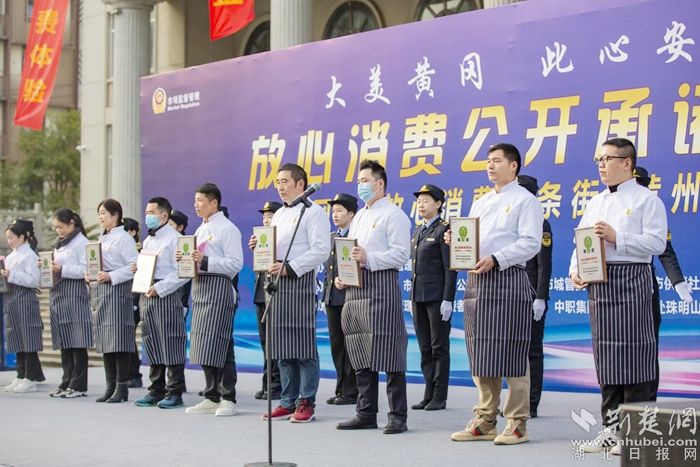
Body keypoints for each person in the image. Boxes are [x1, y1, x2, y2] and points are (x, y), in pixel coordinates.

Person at [570, 139, 667, 454]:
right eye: (599, 159)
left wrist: (617, 237)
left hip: (632, 280)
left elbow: (657, 244)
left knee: (636, 357)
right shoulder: (596, 201)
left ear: (627, 163)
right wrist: (576, 270)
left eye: (607, 158)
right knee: (607, 357)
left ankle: (636, 433)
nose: (601, 165)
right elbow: (581, 240)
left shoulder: (647, 200)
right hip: (600, 283)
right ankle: (611, 430)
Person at [448, 143, 543, 445]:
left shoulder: (526, 201)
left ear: (513, 166)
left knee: (513, 351)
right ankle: (485, 418)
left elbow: (531, 243)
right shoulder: (481, 202)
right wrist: (456, 241)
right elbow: (473, 240)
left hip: (508, 278)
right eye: (488, 161)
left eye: (497, 161)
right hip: (478, 281)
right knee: (480, 350)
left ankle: (517, 422)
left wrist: (497, 258)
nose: (490, 166)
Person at [335, 159, 411, 435]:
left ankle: (397, 415)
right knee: (359, 349)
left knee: (389, 350)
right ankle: (365, 412)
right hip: (356, 289)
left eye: (365, 181)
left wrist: (370, 258)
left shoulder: (394, 215)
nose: (360, 186)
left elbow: (401, 254)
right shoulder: (359, 217)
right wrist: (343, 276)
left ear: (380, 184)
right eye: (359, 181)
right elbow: (350, 254)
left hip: (381, 286)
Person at [251, 163, 330, 423]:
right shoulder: (279, 214)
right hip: (276, 283)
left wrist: (290, 268)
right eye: (277, 182)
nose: (280, 187)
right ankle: (287, 400)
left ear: (301, 184)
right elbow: (275, 247)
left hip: (299, 282)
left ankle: (306, 401)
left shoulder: (313, 211)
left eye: (285, 181)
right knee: (282, 344)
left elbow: (321, 250)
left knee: (302, 344)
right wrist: (260, 247)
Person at [183, 183, 243, 417]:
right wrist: (185, 260)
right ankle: (211, 395)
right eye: (195, 200)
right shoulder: (201, 229)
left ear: (214, 202)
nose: (196, 205)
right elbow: (196, 260)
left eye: (200, 200)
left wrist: (205, 261)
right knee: (203, 342)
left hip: (219, 289)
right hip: (200, 289)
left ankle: (228, 397)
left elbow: (236, 263)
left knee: (221, 342)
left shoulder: (228, 229)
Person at [634, 166, 693, 400]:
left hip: (644, 284)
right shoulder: (610, 206)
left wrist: (678, 283)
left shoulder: (651, 209)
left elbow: (665, 251)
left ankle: (648, 400)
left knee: (649, 344)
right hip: (613, 287)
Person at [133, 197, 189, 409]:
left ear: (164, 215)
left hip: (166, 294)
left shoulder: (176, 239)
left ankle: (175, 391)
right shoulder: (148, 240)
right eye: (147, 212)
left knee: (171, 341)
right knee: (152, 340)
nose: (148, 216)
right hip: (147, 292)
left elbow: (183, 272)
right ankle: (155, 389)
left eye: (152, 212)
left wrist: (161, 288)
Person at [409, 184, 456, 411]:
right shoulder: (418, 231)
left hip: (437, 298)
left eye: (426, 200)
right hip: (418, 297)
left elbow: (450, 268)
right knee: (425, 348)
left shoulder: (444, 230)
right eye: (419, 201)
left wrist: (448, 299)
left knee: (439, 347)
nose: (421, 204)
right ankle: (428, 392)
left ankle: (439, 396)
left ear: (438, 204)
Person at [92, 199, 139, 403]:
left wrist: (112, 276)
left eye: (104, 213)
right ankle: (110, 386)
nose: (101, 217)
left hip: (118, 290)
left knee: (118, 340)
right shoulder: (102, 238)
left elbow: (134, 266)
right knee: (106, 340)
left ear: (115, 215)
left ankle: (122, 387)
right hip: (101, 291)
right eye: (99, 213)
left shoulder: (124, 238)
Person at [47, 209, 93, 398]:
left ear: (71, 223)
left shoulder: (82, 243)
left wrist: (62, 269)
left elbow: (86, 269)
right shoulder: (59, 244)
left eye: (61, 226)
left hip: (75, 293)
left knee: (77, 339)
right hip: (59, 293)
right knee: (64, 340)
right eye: (56, 227)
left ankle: (79, 384)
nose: (58, 230)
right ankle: (66, 380)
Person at [517, 175, 552, 419]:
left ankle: (531, 403)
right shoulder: (513, 224)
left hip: (531, 296)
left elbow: (544, 264)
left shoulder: (541, 223)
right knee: (514, 350)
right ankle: (516, 401)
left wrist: (540, 297)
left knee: (533, 351)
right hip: (513, 294)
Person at [323, 193, 359, 406]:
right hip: (331, 297)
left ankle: (351, 390)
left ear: (351, 213)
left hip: (349, 297)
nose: (334, 215)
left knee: (350, 344)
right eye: (333, 211)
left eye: (339, 211)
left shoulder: (356, 236)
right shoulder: (331, 237)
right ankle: (341, 388)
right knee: (336, 344)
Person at [2, 219, 44, 393]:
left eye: (12, 237)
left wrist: (11, 275)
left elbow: (33, 280)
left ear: (21, 237)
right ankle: (20, 374)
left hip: (25, 298)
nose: (9, 241)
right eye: (8, 238)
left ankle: (30, 376)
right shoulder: (11, 256)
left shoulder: (30, 255)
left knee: (28, 337)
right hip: (11, 299)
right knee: (15, 337)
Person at [251, 200, 283, 401]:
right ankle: (267, 382)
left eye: (270, 216)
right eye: (264, 216)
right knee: (265, 342)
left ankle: (276, 384)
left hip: (276, 293)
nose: (266, 219)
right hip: (261, 293)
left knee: (275, 341)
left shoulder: (282, 241)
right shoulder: (262, 238)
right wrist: (256, 249)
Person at [123, 217, 144, 389]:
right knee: (125, 336)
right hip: (123, 297)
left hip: (135, 298)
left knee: (128, 337)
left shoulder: (141, 251)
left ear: (133, 232)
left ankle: (134, 374)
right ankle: (128, 373)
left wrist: (136, 301)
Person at [168, 209, 192, 316]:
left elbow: (186, 274)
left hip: (178, 298)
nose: (166, 227)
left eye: (170, 224)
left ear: (180, 227)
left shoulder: (185, 244)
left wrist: (184, 303)